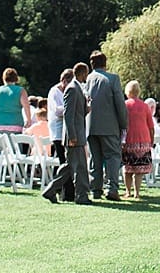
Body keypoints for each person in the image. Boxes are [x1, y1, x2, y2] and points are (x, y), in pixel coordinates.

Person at [43, 63, 92, 205]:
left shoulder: (77, 88)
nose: (87, 76)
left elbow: (77, 113)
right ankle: (81, 195)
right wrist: (72, 136)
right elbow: (68, 114)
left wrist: (87, 107)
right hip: (74, 135)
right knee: (78, 167)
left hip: (77, 133)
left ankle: (53, 190)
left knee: (71, 166)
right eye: (86, 73)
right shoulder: (72, 89)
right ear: (82, 73)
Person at [84, 50, 128, 201]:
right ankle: (112, 188)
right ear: (105, 63)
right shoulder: (113, 79)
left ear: (92, 64)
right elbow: (120, 104)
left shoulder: (87, 80)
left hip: (91, 126)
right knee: (113, 157)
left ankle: (96, 189)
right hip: (109, 125)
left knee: (95, 159)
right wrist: (123, 124)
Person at [121, 80, 155, 201]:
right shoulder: (145, 106)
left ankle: (128, 191)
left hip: (128, 139)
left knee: (127, 168)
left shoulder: (124, 105)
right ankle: (137, 192)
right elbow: (151, 126)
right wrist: (152, 140)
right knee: (139, 170)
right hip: (143, 139)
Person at [46, 68, 77, 202]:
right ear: (64, 81)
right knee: (64, 163)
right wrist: (72, 108)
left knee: (66, 163)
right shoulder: (54, 91)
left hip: (67, 130)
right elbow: (57, 111)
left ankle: (64, 192)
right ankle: (63, 192)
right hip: (58, 132)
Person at [0, 69, 29, 134]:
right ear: (16, 78)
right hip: (15, 124)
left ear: (3, 78)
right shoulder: (20, 91)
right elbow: (26, 106)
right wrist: (28, 120)